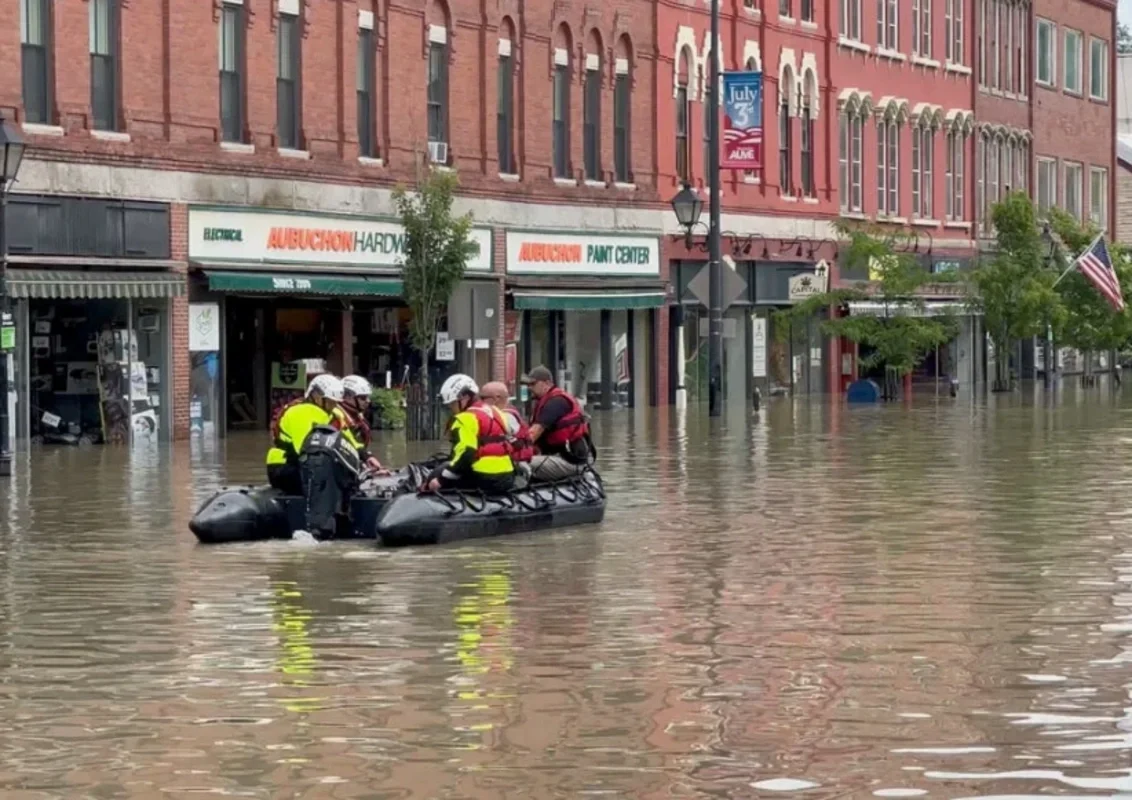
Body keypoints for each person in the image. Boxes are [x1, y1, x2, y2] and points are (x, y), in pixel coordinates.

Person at [422, 373, 515, 495]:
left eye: (452, 403)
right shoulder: (496, 411)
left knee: (438, 472)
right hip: (507, 478)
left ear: (464, 397)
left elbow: (466, 454)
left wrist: (440, 480)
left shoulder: (464, 419)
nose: (451, 408)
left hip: (483, 479)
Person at [266, 374, 343, 494]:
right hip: (285, 465)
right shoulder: (301, 412)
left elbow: (347, 440)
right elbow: (305, 448)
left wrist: (365, 456)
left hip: (306, 465)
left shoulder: (332, 414)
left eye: (335, 402)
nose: (334, 405)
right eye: (331, 401)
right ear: (316, 396)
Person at [522, 365, 593, 483]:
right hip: (556, 456)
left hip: (568, 460)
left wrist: (510, 453)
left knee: (517, 464)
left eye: (533, 384)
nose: (529, 387)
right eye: (528, 384)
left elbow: (533, 434)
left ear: (547, 383)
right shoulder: (546, 401)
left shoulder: (556, 402)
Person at [481, 380, 534, 489]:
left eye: (483, 398)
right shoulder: (502, 414)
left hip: (514, 465)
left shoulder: (506, 417)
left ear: (496, 398)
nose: (480, 402)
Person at [340, 374, 389, 474]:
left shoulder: (357, 417)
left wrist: (367, 459)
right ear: (347, 396)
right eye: (363, 398)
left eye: (368, 397)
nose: (368, 401)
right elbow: (345, 447)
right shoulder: (337, 417)